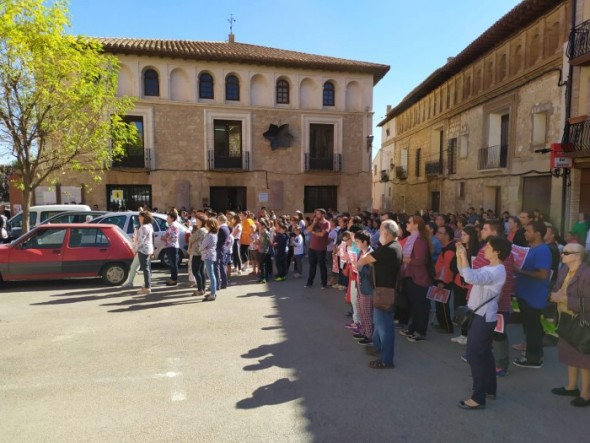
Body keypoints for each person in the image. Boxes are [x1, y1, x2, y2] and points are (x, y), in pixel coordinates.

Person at [456, 236, 511, 410]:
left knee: (474, 356)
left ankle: (478, 398)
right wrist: (460, 256)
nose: (484, 249)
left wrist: (464, 257)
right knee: (485, 355)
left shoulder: (497, 271)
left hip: (483, 317)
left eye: (488, 247)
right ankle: (489, 389)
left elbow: (471, 279)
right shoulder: (491, 267)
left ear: (497, 252)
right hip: (481, 316)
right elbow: (467, 275)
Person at [357, 220, 403, 369]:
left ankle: (386, 360)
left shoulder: (388, 249)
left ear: (387, 233)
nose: (378, 233)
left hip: (384, 293)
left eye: (380, 230)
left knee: (385, 327)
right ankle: (377, 347)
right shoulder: (394, 246)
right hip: (384, 291)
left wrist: (364, 261)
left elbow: (364, 260)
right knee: (379, 323)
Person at [549, 243, 590, 407]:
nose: (562, 255)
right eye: (562, 252)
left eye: (566, 253)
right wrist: (555, 295)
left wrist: (565, 299)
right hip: (565, 318)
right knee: (569, 354)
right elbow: (557, 287)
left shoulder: (587, 274)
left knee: (583, 359)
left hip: (582, 322)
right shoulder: (564, 270)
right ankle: (571, 386)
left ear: (578, 256)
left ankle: (586, 394)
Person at [513, 221, 552, 369]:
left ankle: (534, 359)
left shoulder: (542, 250)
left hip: (533, 296)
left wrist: (519, 271)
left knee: (533, 328)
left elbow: (543, 275)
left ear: (538, 233)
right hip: (525, 294)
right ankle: (531, 354)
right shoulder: (530, 249)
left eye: (528, 231)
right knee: (529, 327)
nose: (525, 233)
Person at [399, 215, 433, 342]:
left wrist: (404, 259)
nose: (406, 224)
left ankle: (420, 331)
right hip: (410, 275)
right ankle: (413, 327)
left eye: (409, 222)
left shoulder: (419, 240)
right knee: (413, 305)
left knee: (420, 306)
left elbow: (420, 259)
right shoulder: (410, 238)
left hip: (418, 278)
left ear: (416, 225)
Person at [433, 225, 456, 333]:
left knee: (442, 305)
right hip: (441, 279)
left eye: (440, 233)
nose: (437, 234)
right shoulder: (446, 246)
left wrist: (443, 282)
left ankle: (447, 327)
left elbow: (448, 268)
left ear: (447, 235)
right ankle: (442, 324)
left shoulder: (450, 250)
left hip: (445, 281)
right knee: (439, 303)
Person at [305, 208, 331, 289]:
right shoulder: (315, 222)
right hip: (312, 248)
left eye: (318, 214)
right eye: (316, 213)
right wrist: (313, 223)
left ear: (323, 214)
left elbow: (322, 234)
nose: (316, 215)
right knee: (312, 266)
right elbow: (308, 230)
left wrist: (313, 232)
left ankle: (324, 283)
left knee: (322, 266)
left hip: (321, 249)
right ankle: (309, 283)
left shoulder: (326, 223)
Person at [136, 211, 155, 295]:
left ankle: (147, 287)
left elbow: (141, 240)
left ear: (143, 217)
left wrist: (135, 248)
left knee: (145, 268)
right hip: (148, 248)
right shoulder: (148, 226)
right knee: (147, 268)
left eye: (139, 216)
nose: (138, 218)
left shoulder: (144, 227)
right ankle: (147, 286)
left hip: (143, 249)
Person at [189, 215, 208, 296]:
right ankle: (202, 288)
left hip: (197, 253)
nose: (196, 221)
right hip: (202, 253)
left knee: (195, 271)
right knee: (201, 271)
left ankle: (200, 289)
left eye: (197, 219)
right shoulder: (204, 230)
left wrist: (191, 236)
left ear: (201, 221)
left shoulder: (200, 231)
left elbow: (191, 239)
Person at [199, 218, 218, 301]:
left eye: (207, 224)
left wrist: (200, 245)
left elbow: (203, 245)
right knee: (211, 274)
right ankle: (213, 292)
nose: (205, 225)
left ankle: (213, 293)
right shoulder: (212, 234)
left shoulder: (210, 235)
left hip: (208, 255)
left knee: (211, 275)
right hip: (210, 255)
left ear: (210, 226)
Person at [162, 210, 181, 286]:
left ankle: (174, 279)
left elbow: (174, 237)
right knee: (172, 264)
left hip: (172, 246)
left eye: (168, 216)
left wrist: (165, 238)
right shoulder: (170, 225)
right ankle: (172, 278)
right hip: (169, 246)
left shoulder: (174, 226)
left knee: (174, 264)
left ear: (172, 218)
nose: (167, 218)